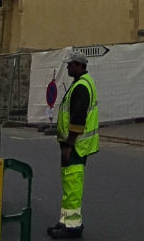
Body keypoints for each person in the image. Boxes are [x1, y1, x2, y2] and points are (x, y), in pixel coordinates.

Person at [48, 50, 99, 240]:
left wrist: (69, 144)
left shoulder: (81, 87)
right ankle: (65, 220)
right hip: (78, 144)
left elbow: (78, 118)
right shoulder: (81, 83)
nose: (68, 68)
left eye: (70, 65)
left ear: (79, 65)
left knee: (72, 185)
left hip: (76, 145)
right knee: (69, 184)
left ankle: (72, 226)